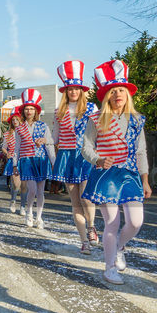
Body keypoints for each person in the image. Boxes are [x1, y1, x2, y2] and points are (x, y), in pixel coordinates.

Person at [82, 61, 151, 284]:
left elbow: (141, 151)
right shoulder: (96, 119)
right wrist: (98, 159)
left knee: (135, 222)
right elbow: (86, 147)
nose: (118, 94)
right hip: (106, 176)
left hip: (130, 175)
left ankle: (120, 246)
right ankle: (109, 266)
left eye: (121, 89)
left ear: (128, 94)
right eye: (113, 91)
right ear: (107, 96)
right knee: (111, 222)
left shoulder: (137, 120)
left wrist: (145, 180)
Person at [51, 61, 100, 253]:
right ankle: (84, 241)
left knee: (86, 198)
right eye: (70, 89)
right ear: (66, 91)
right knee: (75, 202)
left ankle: (92, 226)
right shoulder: (58, 111)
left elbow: (98, 133)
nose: (73, 92)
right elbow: (55, 137)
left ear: (81, 90)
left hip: (85, 156)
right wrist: (42, 140)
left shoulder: (91, 109)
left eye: (76, 88)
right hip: (66, 157)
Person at [13, 89, 56, 229]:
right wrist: (15, 164)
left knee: (40, 191)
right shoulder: (19, 129)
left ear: (36, 111)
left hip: (41, 160)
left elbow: (50, 144)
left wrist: (54, 162)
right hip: (26, 161)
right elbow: (17, 148)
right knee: (31, 190)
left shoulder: (43, 126)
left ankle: (39, 217)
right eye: (27, 109)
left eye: (31, 108)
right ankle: (29, 213)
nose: (29, 111)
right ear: (23, 111)